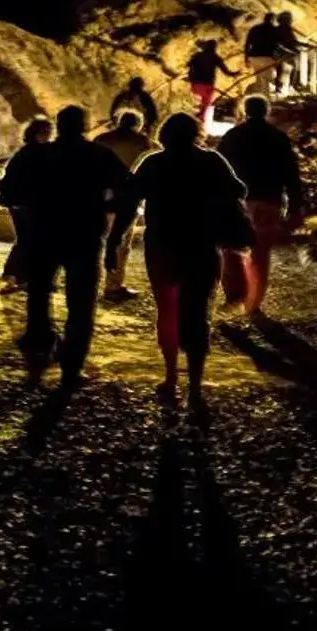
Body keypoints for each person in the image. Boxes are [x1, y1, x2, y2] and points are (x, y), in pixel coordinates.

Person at [109, 112, 248, 414]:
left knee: (167, 310)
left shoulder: (153, 162)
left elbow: (129, 203)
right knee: (198, 314)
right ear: (195, 133)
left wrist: (114, 241)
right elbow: (239, 190)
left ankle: (171, 376)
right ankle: (195, 387)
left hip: (162, 246)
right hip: (201, 244)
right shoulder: (211, 161)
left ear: (164, 135)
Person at [0, 106, 131, 389]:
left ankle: (39, 346)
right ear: (85, 126)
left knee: (38, 292)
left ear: (58, 125)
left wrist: (34, 203)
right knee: (81, 302)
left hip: (43, 233)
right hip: (84, 235)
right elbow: (128, 191)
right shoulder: (99, 155)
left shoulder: (33, 155)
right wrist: (110, 217)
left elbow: (7, 193)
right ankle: (73, 366)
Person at [215, 96, 304, 317]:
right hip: (268, 200)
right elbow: (291, 174)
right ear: (266, 111)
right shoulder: (278, 138)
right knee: (260, 253)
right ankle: (253, 304)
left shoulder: (232, 136)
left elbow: (218, 170)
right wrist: (295, 206)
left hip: (237, 201)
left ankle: (235, 297)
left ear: (245, 111)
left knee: (231, 249)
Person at [93, 110, 158, 302]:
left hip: (99, 198)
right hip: (126, 200)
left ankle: (92, 282)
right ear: (138, 124)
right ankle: (113, 285)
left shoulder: (100, 139)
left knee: (97, 240)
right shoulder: (145, 143)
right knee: (120, 243)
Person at [0, 118, 53, 287]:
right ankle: (18, 276)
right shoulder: (40, 153)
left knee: (26, 240)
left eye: (48, 131)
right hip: (29, 204)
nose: (47, 134)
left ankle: (17, 276)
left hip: (21, 204)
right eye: (44, 131)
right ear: (35, 133)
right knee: (31, 240)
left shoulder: (23, 153)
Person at [183, 40, 236, 126]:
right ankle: (202, 120)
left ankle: (197, 114)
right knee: (207, 104)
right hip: (207, 86)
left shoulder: (197, 55)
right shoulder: (215, 57)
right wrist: (236, 73)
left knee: (201, 102)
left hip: (195, 86)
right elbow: (226, 72)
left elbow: (187, 65)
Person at [244, 12, 280, 97]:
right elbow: (279, 44)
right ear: (272, 20)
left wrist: (246, 57)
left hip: (254, 57)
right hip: (266, 57)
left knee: (260, 78)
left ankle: (259, 97)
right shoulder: (273, 30)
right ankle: (265, 99)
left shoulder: (254, 29)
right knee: (267, 78)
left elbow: (247, 44)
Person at [272, 11, 305, 93]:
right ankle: (282, 87)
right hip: (281, 53)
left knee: (291, 69)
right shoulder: (279, 30)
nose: (290, 21)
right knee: (282, 69)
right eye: (288, 19)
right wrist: (291, 50)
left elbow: (293, 41)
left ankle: (287, 87)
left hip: (287, 53)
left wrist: (306, 45)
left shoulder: (287, 29)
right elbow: (279, 43)